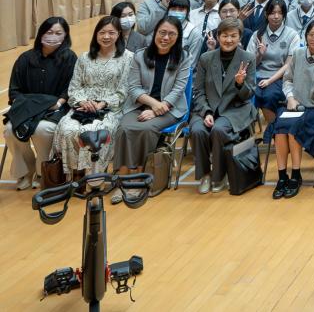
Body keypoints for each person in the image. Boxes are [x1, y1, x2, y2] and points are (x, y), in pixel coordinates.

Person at [114, 17, 190, 201]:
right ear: (155, 32)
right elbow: (133, 88)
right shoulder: (140, 56)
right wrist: (153, 104)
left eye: (171, 34)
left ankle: (138, 178)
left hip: (170, 108)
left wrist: (157, 109)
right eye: (162, 32)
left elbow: (178, 89)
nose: (166, 37)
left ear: (178, 37)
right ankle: (122, 178)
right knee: (124, 128)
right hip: (139, 105)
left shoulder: (183, 58)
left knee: (146, 129)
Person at [55, 16, 133, 180]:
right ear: (96, 34)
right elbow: (74, 87)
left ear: (119, 34)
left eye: (111, 33)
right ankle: (74, 177)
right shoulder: (84, 57)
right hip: (83, 107)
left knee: (94, 133)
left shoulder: (128, 58)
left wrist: (103, 103)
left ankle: (94, 179)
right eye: (102, 32)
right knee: (68, 130)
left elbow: (124, 90)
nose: (106, 36)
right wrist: (82, 102)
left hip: (110, 108)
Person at [4, 16, 76, 189]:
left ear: (65, 36)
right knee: (10, 130)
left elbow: (69, 89)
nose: (53, 36)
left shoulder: (70, 58)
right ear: (41, 33)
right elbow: (14, 90)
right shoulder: (25, 58)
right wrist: (29, 105)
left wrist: (58, 103)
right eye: (49, 32)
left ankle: (41, 170)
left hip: (55, 109)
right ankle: (25, 171)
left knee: (43, 130)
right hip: (27, 109)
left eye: (58, 33)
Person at [270, 20, 314, 199]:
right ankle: (282, 176)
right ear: (306, 36)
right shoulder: (298, 53)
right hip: (295, 105)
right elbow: (287, 80)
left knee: (294, 129)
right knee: (279, 129)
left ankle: (295, 175)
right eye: (311, 35)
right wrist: (290, 97)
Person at [190, 18, 256, 195]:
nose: (228, 40)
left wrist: (240, 84)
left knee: (218, 130)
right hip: (207, 108)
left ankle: (219, 176)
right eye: (225, 35)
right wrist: (206, 112)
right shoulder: (206, 58)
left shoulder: (248, 58)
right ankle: (205, 175)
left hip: (235, 109)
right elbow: (198, 90)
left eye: (233, 36)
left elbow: (249, 95)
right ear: (218, 36)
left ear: (240, 37)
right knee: (198, 130)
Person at [249, 0, 299, 130]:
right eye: (272, 13)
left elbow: (289, 65)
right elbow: (250, 64)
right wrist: (260, 54)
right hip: (258, 75)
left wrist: (269, 81)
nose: (276, 16)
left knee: (269, 96)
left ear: (284, 15)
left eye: (279, 13)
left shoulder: (292, 35)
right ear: (266, 14)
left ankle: (273, 131)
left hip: (280, 77)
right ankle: (253, 133)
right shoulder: (257, 34)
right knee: (251, 94)